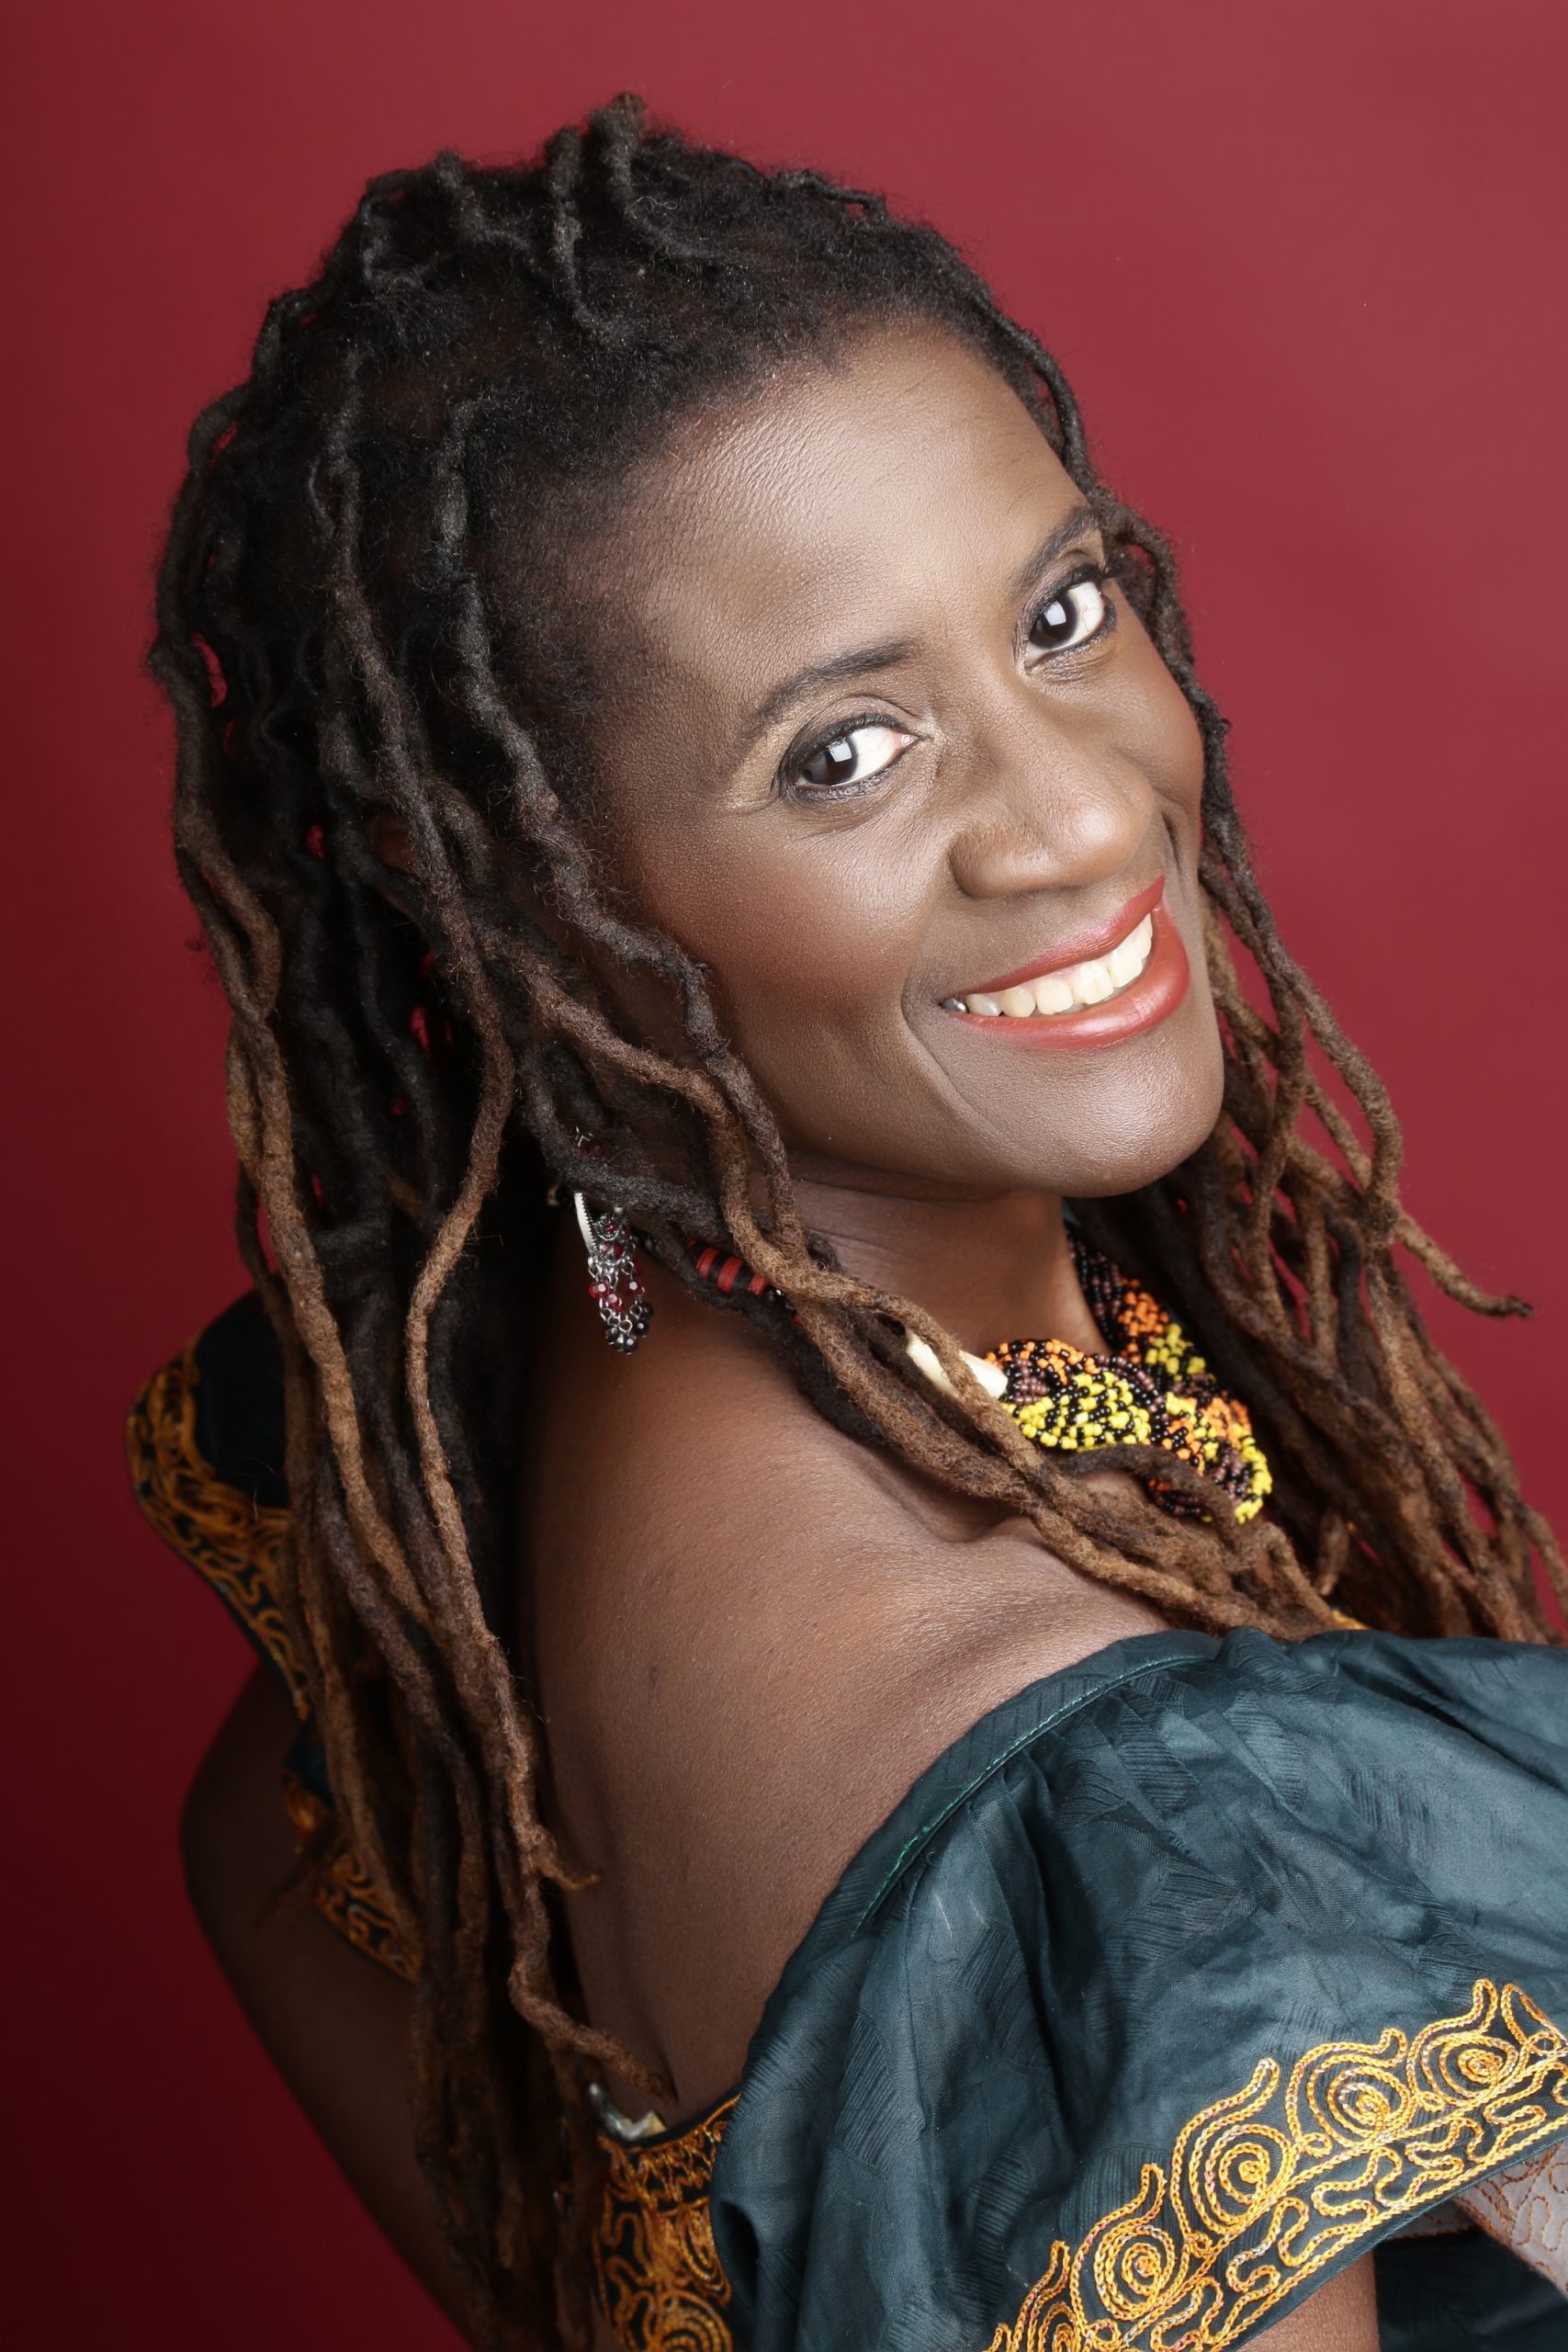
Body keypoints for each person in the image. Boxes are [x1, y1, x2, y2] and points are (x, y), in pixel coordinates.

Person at [129, 96, 1568, 2352]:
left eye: (1061, 614)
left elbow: (262, 1858)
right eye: (842, 753)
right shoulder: (1096, 1825)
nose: (1077, 811)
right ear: (522, 893)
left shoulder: (532, 1322)